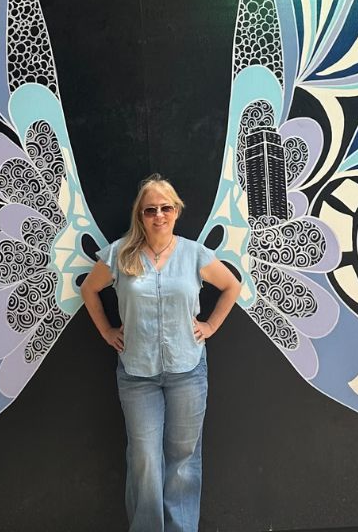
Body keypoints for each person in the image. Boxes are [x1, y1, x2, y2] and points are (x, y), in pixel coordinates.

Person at [80, 175, 241, 532]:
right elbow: (89, 291)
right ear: (140, 214)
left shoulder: (194, 254)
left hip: (188, 370)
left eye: (165, 208)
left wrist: (210, 326)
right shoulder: (120, 254)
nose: (158, 215)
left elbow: (232, 286)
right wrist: (107, 331)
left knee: (183, 459)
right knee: (145, 460)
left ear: (176, 211)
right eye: (150, 209)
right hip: (138, 375)